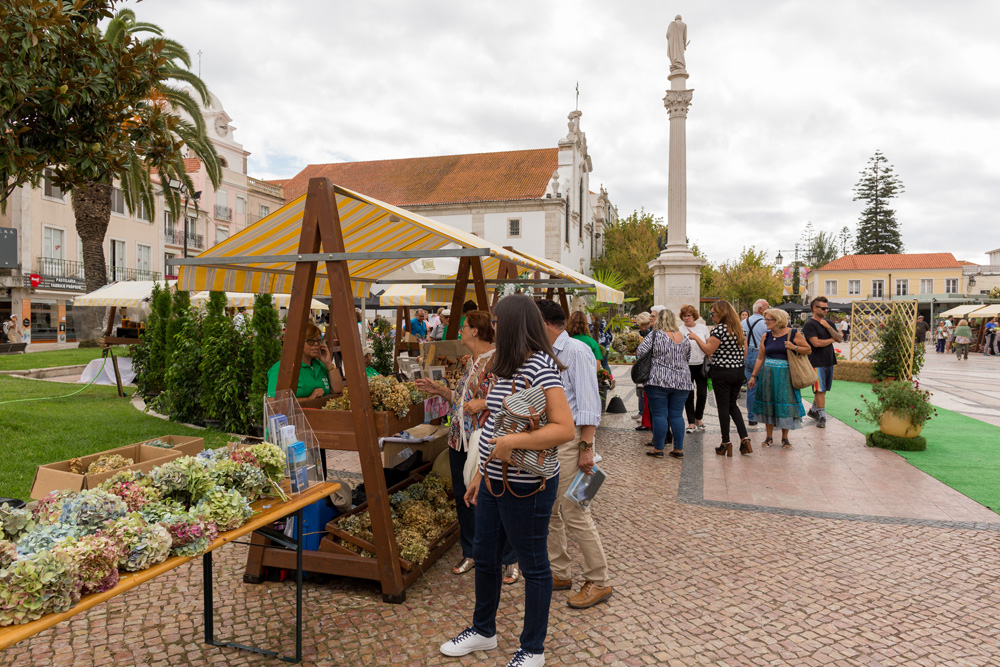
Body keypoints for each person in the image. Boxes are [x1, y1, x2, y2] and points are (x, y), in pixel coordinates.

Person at [440, 294, 574, 667]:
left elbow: (565, 428)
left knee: (533, 565)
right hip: (496, 482)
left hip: (528, 485)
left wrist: (511, 443)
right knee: (485, 556)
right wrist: (481, 474)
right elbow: (498, 425)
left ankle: (533, 649)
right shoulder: (507, 367)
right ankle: (483, 630)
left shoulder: (540, 367)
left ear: (513, 325)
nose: (493, 328)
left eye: (498, 323)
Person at [415, 311, 519, 582]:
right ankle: (471, 552)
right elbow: (461, 400)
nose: (460, 331)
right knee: (464, 497)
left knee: (497, 495)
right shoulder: (470, 362)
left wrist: (484, 403)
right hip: (459, 439)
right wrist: (439, 390)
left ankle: (509, 558)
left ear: (475, 331)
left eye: (464, 327)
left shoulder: (499, 360)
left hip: (486, 440)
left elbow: (514, 398)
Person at [536, 300, 611, 609]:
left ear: (545, 323)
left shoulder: (577, 351)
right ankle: (560, 571)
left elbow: (589, 404)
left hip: (574, 441)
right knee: (551, 509)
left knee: (576, 510)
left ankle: (600, 580)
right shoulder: (545, 352)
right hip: (554, 441)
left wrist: (586, 448)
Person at [688, 300, 751, 456]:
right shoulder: (739, 329)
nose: (711, 316)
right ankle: (745, 439)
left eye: (713, 313)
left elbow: (708, 350)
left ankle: (726, 442)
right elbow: (745, 352)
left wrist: (697, 338)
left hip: (722, 372)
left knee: (723, 406)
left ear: (721, 313)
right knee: (732, 405)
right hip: (738, 371)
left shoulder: (719, 330)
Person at [748, 308, 810, 448]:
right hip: (767, 374)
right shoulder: (766, 336)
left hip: (785, 375)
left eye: (768, 320)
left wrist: (793, 347)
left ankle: (785, 438)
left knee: (784, 405)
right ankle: (769, 437)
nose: (765, 322)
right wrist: (753, 376)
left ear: (778, 320)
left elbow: (808, 349)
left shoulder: (792, 333)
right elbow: (760, 357)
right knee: (768, 404)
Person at [636, 308, 692, 459]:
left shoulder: (654, 335)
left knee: (659, 414)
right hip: (682, 381)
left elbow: (640, 353)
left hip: (657, 380)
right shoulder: (684, 338)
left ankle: (658, 449)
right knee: (677, 415)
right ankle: (678, 449)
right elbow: (688, 357)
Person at [266, 322, 344, 401]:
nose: (316, 344)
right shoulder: (282, 368)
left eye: (319, 340)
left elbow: (338, 390)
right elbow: (273, 403)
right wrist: (309, 399)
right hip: (300, 413)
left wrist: (329, 364)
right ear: (298, 343)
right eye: (310, 341)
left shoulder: (319, 365)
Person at [802, 296, 842, 428]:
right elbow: (816, 343)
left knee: (823, 390)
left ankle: (813, 410)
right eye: (823, 308)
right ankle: (822, 416)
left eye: (827, 308)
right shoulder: (809, 325)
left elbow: (840, 338)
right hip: (816, 361)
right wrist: (832, 339)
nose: (826, 310)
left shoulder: (828, 323)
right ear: (814, 308)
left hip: (829, 360)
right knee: (819, 390)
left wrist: (829, 328)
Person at [679, 304, 709, 433]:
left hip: (701, 364)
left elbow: (708, 345)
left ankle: (699, 418)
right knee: (689, 394)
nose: (687, 318)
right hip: (686, 365)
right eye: (684, 316)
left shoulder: (703, 328)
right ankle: (691, 421)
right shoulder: (680, 329)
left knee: (702, 393)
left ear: (694, 316)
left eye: (689, 315)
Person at [741, 299, 769, 425]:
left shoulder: (743, 322)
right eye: (767, 307)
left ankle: (751, 418)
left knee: (750, 387)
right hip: (761, 355)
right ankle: (767, 416)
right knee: (766, 387)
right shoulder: (765, 323)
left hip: (747, 355)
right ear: (761, 309)